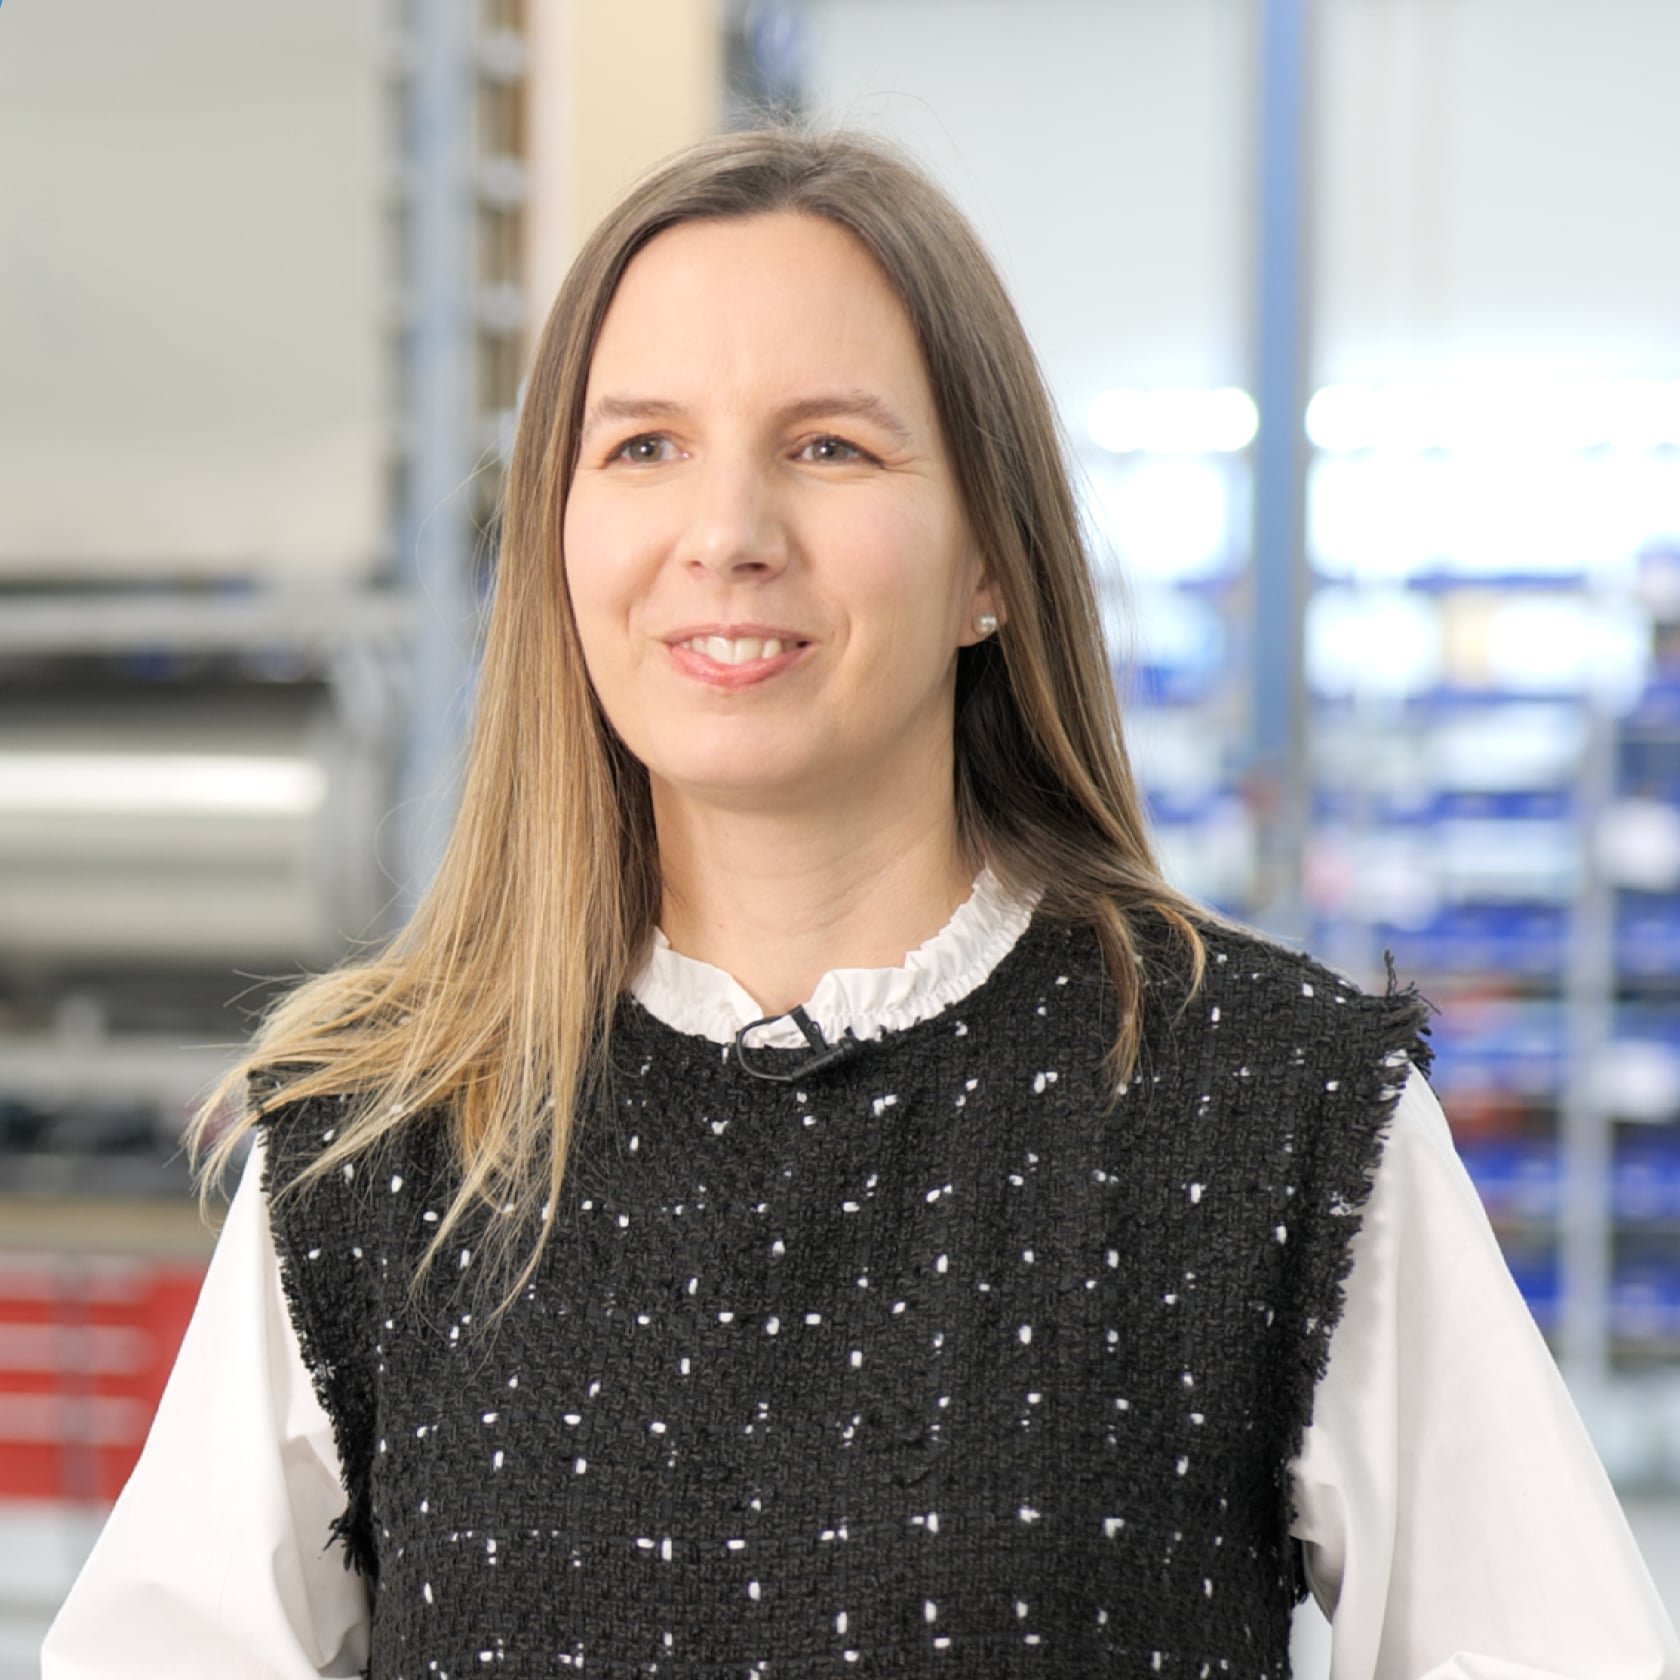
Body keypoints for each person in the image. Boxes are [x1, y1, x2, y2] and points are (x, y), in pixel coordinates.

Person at [43, 126, 1677, 1679]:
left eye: (829, 447)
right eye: (644, 447)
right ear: (559, 541)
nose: (727, 534)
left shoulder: (1278, 1110)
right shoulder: (380, 1142)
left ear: (992, 561)